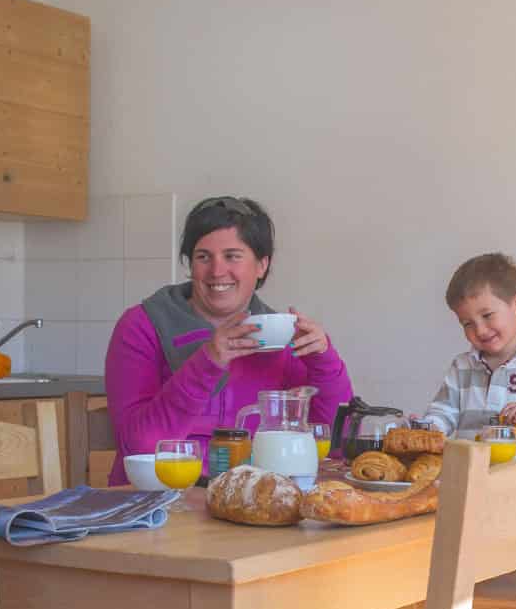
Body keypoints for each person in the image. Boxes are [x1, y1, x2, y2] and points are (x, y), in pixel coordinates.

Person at [103, 195, 352, 483]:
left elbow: (336, 443)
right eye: (203, 257)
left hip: (253, 496)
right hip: (159, 497)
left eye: (232, 256)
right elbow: (140, 446)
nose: (217, 271)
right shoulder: (142, 326)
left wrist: (323, 359)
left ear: (261, 265)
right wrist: (208, 362)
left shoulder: (281, 335)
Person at [423, 252, 516, 435]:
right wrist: (427, 427)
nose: (480, 330)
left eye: (487, 315)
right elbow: (442, 413)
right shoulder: (461, 367)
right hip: (471, 455)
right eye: (467, 323)